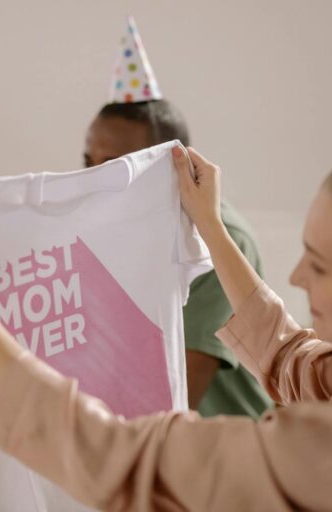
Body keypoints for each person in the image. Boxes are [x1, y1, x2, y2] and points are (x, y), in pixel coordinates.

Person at [0, 139, 332, 510]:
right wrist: (209, 225)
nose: (298, 274)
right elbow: (293, 357)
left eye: (321, 264)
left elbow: (122, 457)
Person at [84, 16, 272, 416]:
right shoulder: (104, 231)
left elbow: (177, 396)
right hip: (138, 438)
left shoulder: (222, 238)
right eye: (89, 161)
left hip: (225, 448)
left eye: (114, 165)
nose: (93, 178)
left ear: (173, 163)